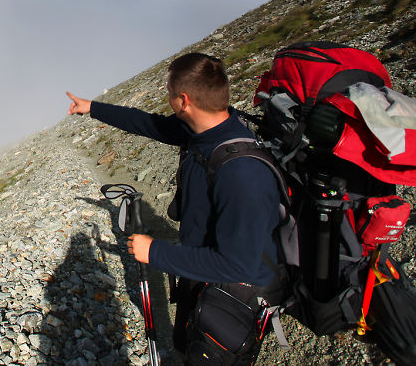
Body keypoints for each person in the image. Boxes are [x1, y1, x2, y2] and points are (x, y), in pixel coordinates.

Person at [67, 53, 281, 363]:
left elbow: (240, 266)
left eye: (168, 93)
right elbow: (148, 123)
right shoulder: (202, 130)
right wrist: (93, 108)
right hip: (198, 274)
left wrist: (155, 252)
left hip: (229, 298)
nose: (167, 99)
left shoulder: (242, 173)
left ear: (183, 100)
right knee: (184, 348)